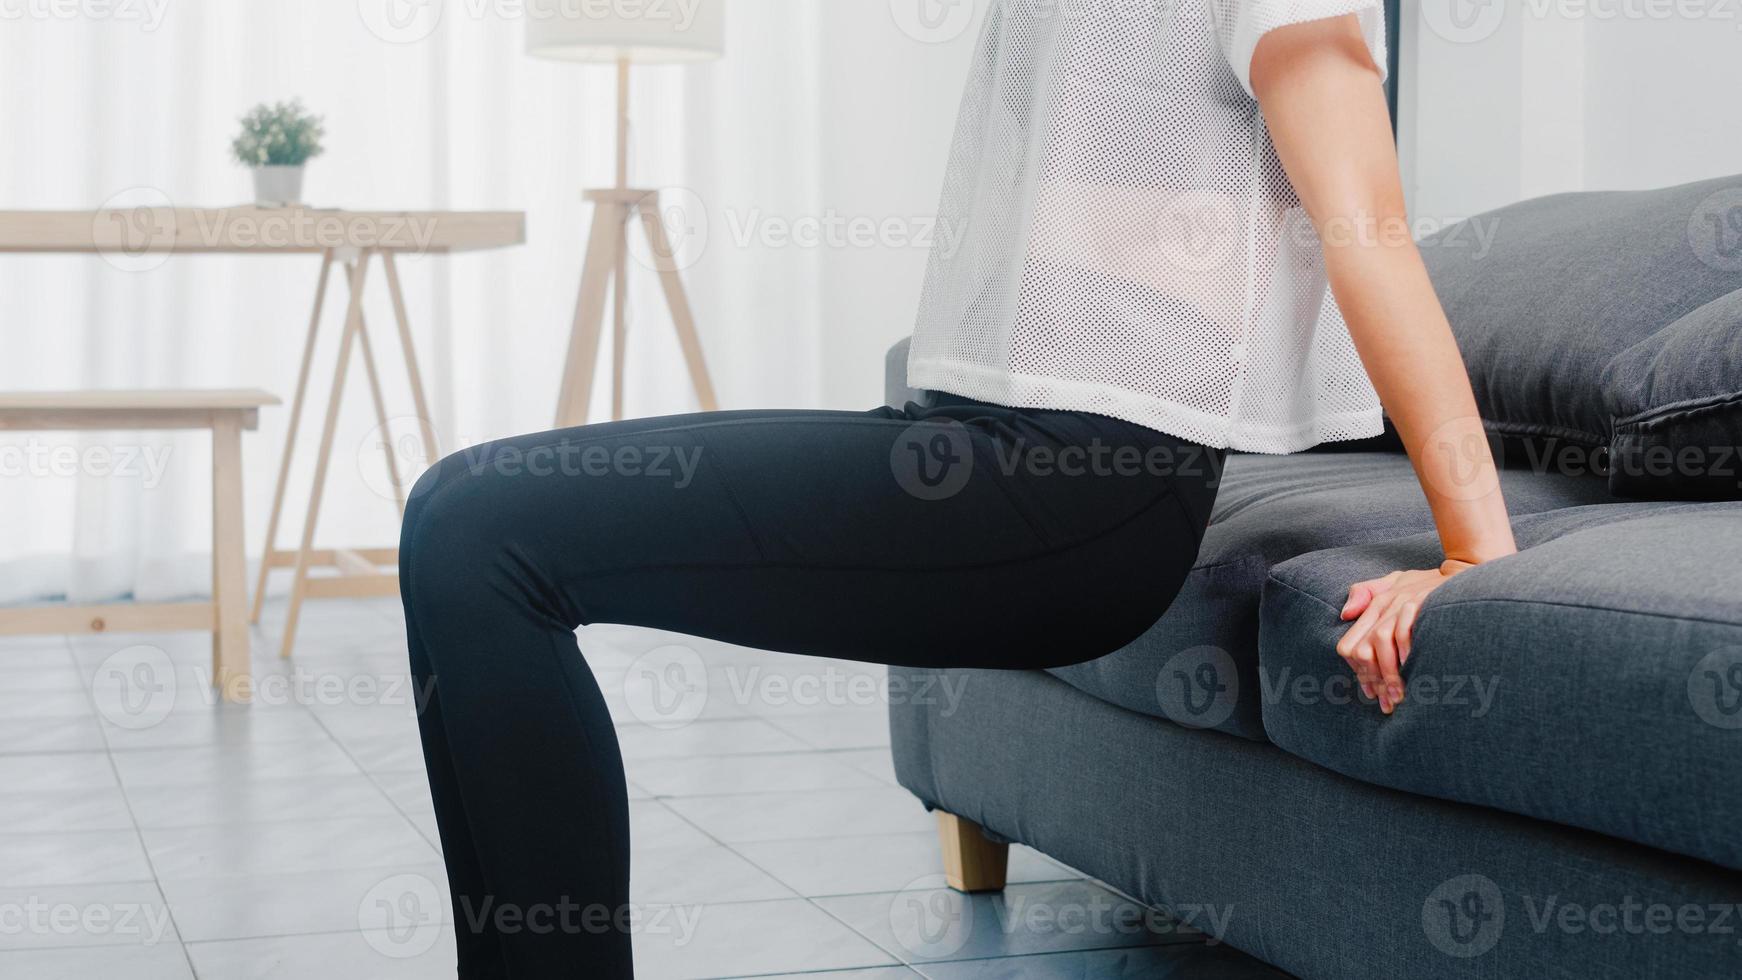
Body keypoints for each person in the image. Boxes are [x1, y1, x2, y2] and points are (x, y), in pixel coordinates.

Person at [399, 3, 1519, 976]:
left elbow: (1368, 228)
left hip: (1082, 485)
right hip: (972, 438)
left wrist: (1473, 552)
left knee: (483, 536)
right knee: (459, 520)